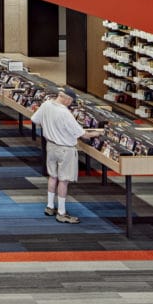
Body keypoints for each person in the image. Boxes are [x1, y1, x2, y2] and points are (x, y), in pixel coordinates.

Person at [30, 89, 101, 225]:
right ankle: (62, 213)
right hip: (65, 149)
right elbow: (82, 134)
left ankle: (50, 206)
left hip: (50, 146)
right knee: (64, 180)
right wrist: (96, 134)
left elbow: (34, 119)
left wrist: (50, 127)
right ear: (67, 99)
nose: (71, 105)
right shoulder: (65, 113)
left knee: (53, 176)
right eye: (71, 102)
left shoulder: (46, 104)